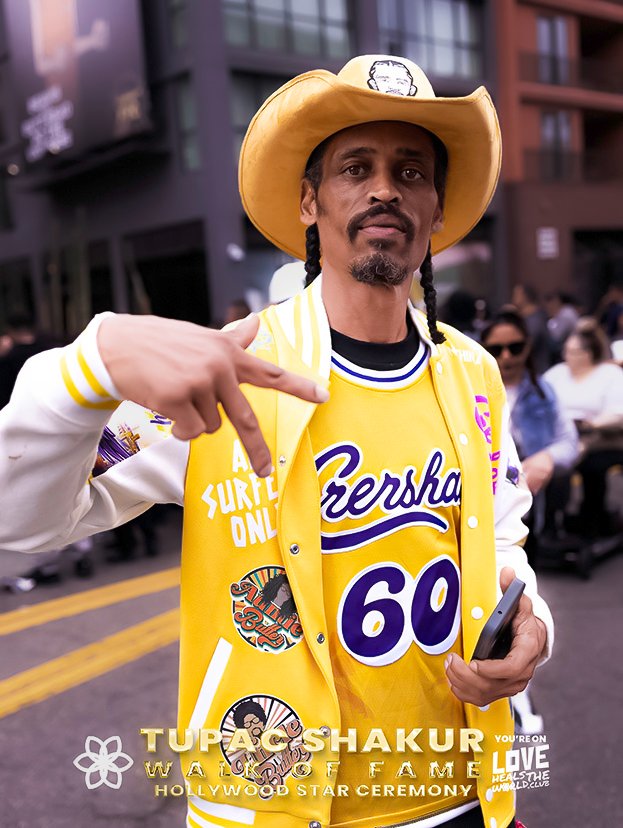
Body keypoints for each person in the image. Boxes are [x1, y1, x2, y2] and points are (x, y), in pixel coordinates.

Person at [0, 55, 552, 828]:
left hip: (462, 798)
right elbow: (18, 524)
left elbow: (498, 535)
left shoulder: (472, 372)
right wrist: (84, 368)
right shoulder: (227, 368)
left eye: (411, 172)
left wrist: (534, 625)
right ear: (307, 200)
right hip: (273, 805)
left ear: (435, 208)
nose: (385, 189)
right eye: (355, 168)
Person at [481, 310, 578, 558]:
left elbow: (568, 442)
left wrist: (547, 457)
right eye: (496, 349)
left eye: (515, 348)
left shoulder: (544, 390)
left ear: (527, 347)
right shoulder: (469, 391)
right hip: (482, 506)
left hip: (528, 505)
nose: (506, 356)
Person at [544, 320, 623, 537]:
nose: (566, 356)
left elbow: (618, 413)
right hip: (560, 435)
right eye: (566, 351)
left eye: (572, 352)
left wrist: (591, 424)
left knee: (585, 463)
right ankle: (549, 523)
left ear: (587, 354)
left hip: (601, 439)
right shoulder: (558, 373)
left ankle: (590, 524)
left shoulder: (610, 374)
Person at [510, 284, 550, 374]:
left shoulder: (536, 319)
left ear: (525, 296)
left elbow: (527, 344)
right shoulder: (523, 317)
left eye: (516, 294)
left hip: (537, 371)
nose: (513, 297)